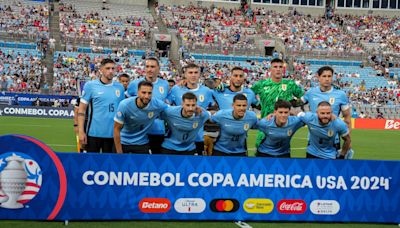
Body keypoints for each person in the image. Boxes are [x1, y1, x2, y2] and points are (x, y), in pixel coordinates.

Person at [251, 58, 304, 147]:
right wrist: (258, 106)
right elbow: (248, 97)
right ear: (270, 69)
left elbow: (304, 98)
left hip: (284, 127)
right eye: (275, 67)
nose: (278, 69)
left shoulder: (290, 84)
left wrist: (293, 104)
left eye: (280, 67)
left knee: (283, 154)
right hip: (266, 126)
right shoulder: (261, 84)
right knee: (261, 154)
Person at [78, 58, 124, 153]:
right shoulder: (90, 86)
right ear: (101, 69)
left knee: (110, 166)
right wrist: (81, 132)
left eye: (113, 68)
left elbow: (123, 111)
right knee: (91, 165)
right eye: (107, 68)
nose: (111, 71)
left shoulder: (120, 87)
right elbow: (81, 110)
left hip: (113, 135)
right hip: (93, 134)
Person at [167, 63, 214, 155]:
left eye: (196, 72)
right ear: (185, 75)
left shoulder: (206, 91)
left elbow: (215, 107)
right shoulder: (176, 89)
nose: (193, 75)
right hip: (176, 137)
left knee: (196, 168)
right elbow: (166, 106)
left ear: (199, 74)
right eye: (190, 72)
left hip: (197, 138)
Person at [301, 66, 351, 150]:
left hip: (333, 139)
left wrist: (349, 141)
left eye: (329, 76)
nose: (327, 79)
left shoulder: (340, 94)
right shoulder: (311, 92)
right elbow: (296, 104)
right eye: (324, 76)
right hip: (313, 139)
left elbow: (347, 118)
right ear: (318, 77)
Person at [126, 57, 169, 154]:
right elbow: (127, 104)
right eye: (147, 66)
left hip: (157, 130)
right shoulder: (134, 84)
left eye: (153, 67)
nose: (150, 69)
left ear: (158, 68)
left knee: (156, 163)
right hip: (138, 131)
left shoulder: (165, 84)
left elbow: (167, 104)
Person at [114, 81, 167, 154]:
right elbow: (116, 129)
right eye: (144, 92)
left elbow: (171, 111)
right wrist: (119, 152)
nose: (146, 96)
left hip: (142, 143)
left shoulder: (156, 104)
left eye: (149, 93)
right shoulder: (125, 105)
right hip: (124, 142)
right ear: (138, 92)